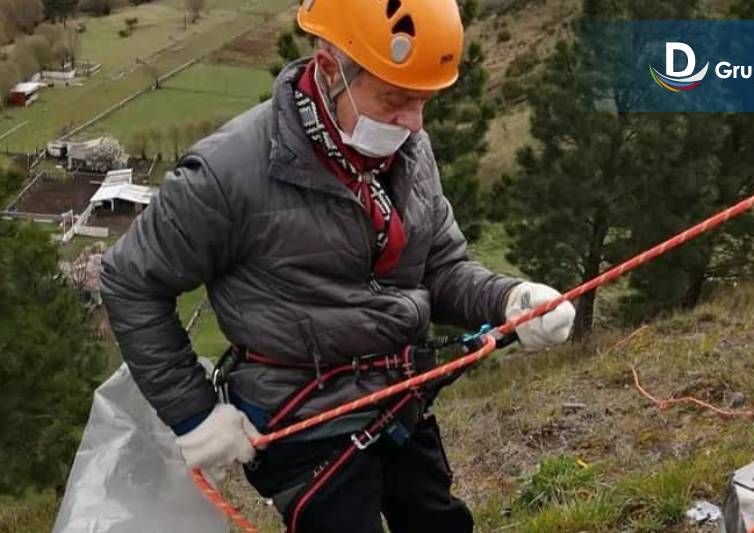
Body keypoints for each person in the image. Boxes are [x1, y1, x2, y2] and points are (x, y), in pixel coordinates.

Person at [100, 0, 576, 531]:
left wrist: (511, 300)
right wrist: (194, 412)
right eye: (396, 99)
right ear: (330, 70)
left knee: (438, 522)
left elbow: (438, 267)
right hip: (300, 418)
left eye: (424, 102)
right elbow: (130, 281)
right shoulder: (226, 174)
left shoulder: (409, 150)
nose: (414, 123)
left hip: (397, 393)